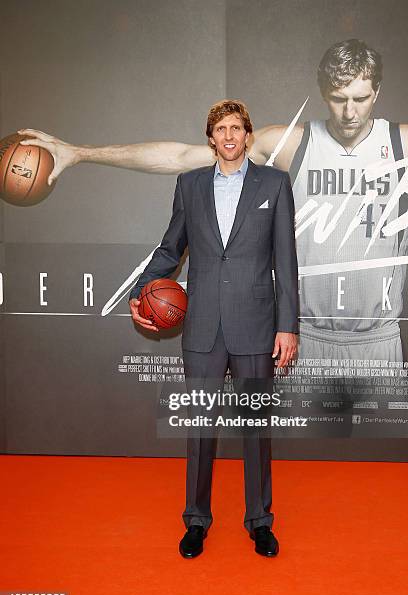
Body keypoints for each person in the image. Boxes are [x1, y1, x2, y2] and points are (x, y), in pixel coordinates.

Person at [18, 39, 408, 363]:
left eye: (361, 98)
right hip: (307, 335)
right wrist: (80, 153)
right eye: (339, 99)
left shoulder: (399, 143)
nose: (350, 112)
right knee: (304, 453)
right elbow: (179, 158)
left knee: (379, 453)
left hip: (379, 337)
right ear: (325, 95)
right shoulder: (293, 143)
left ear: (378, 93)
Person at [128, 99, 299, 557]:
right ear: (210, 138)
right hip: (203, 326)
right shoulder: (189, 185)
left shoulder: (276, 184)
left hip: (257, 324)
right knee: (199, 426)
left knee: (255, 427)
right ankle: (196, 520)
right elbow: (170, 249)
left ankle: (259, 520)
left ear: (248, 135)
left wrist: (288, 326)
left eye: (236, 128)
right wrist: (140, 291)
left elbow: (286, 261)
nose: (228, 136)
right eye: (220, 129)